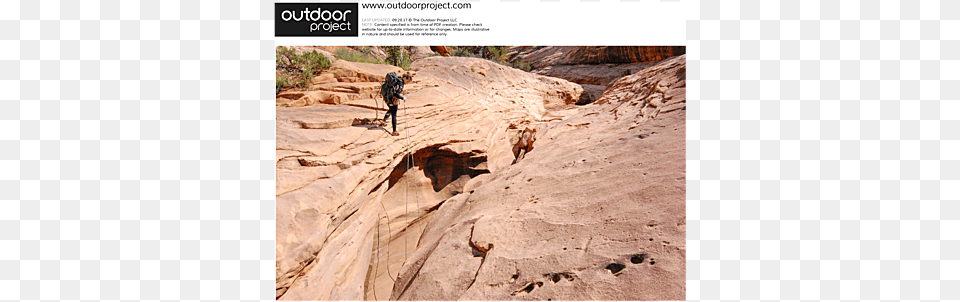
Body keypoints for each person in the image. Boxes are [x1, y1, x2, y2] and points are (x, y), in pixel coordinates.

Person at [380, 72, 410, 136]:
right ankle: (394, 131)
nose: (407, 83)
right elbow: (395, 93)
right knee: (394, 114)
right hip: (391, 99)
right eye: (408, 81)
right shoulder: (400, 83)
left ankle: (383, 121)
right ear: (405, 78)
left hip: (387, 98)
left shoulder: (396, 80)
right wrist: (402, 98)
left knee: (391, 110)